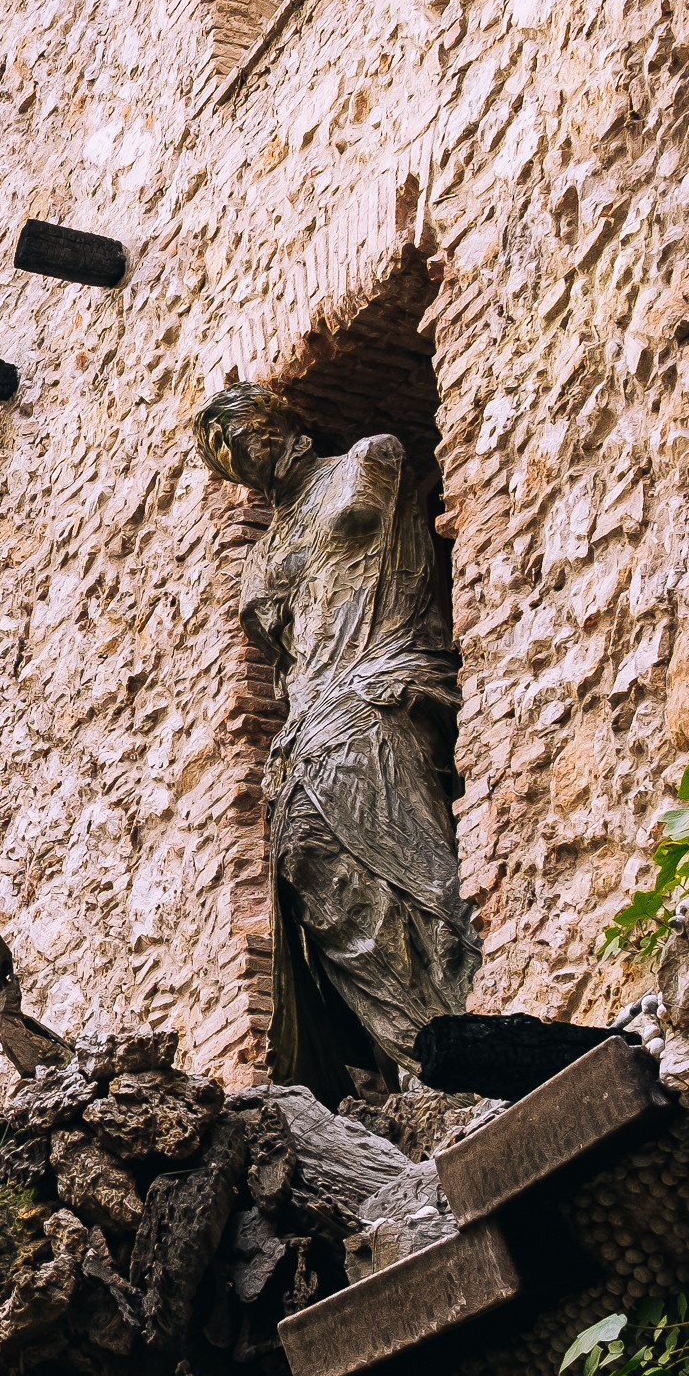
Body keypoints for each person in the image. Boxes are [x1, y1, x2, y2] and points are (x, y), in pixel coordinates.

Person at [192, 383, 480, 1098]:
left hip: (379, 677)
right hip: (307, 716)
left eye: (244, 440)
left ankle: (472, 1000)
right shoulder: (259, 559)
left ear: (274, 420)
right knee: (305, 857)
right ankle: (421, 1050)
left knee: (401, 844)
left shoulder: (369, 460)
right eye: (228, 463)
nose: (245, 464)